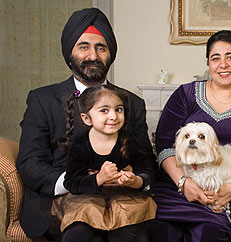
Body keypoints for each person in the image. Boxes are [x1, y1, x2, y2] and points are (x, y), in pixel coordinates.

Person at [16, 8, 156, 241]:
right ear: (69, 52)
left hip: (121, 200)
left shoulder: (132, 103)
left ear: (110, 53)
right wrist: (78, 182)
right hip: (61, 201)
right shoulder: (42, 99)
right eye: (84, 46)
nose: (93, 55)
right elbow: (30, 162)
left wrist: (135, 178)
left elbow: (146, 161)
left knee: (131, 234)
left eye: (101, 47)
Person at [147, 30, 231, 242]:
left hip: (225, 192)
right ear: (208, 64)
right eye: (216, 58)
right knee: (161, 226)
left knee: (208, 230)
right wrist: (183, 183)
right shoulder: (185, 95)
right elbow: (164, 144)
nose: (223, 64)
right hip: (177, 188)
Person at [50, 84, 156, 242]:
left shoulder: (130, 141)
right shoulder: (80, 145)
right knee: (77, 232)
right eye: (104, 110)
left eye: (118, 109)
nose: (114, 116)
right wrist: (99, 178)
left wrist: (136, 180)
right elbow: (71, 182)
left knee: (128, 232)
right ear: (87, 118)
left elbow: (147, 170)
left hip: (125, 198)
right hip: (88, 199)